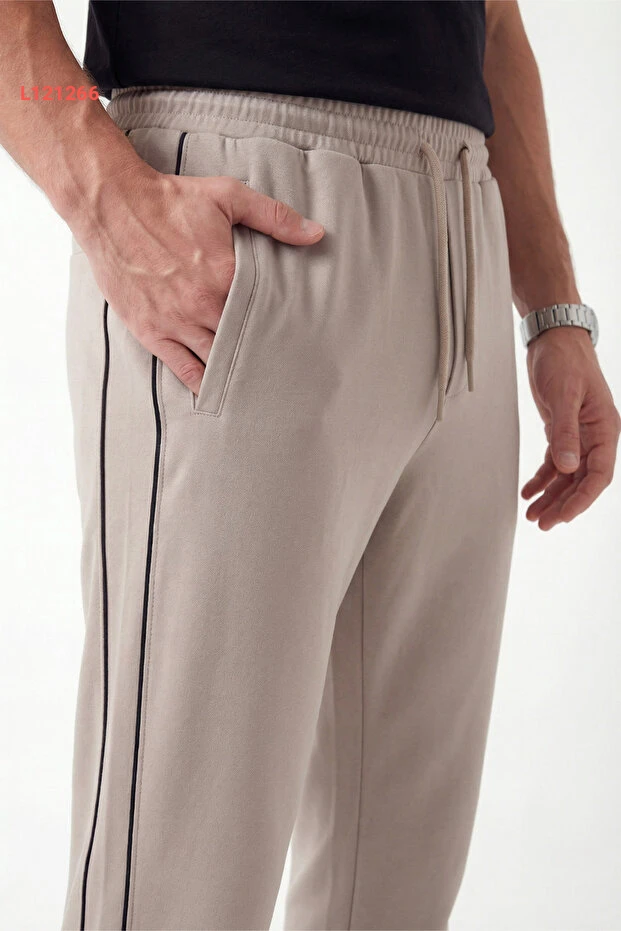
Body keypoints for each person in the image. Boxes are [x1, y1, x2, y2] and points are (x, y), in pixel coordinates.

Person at [1, 1, 618, 929]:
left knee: (396, 889)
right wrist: (101, 190)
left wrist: (554, 311)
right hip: (247, 205)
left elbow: (494, 21)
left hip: (463, 232)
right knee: (178, 879)